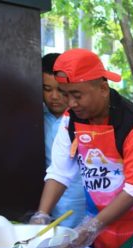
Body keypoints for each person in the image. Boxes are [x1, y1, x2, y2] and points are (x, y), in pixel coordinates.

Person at [31, 48, 133, 248]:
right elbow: (60, 171)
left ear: (103, 88)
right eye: (66, 94)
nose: (70, 103)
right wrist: (42, 215)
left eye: (77, 95)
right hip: (98, 228)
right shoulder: (71, 120)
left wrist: (92, 226)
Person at [41, 53, 86, 228]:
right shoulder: (35, 117)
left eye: (60, 90)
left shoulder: (82, 118)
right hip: (51, 204)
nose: (54, 96)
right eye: (47, 89)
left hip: (84, 205)